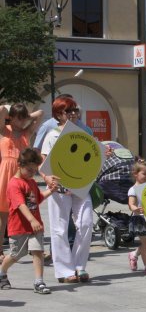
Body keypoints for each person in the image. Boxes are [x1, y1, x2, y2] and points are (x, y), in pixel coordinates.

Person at [39, 97, 94, 283]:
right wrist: (47, 178)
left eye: (75, 110)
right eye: (67, 111)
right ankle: (64, 271)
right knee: (59, 228)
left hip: (80, 184)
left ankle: (79, 266)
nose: (73, 114)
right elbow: (43, 162)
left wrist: (103, 153)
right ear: (58, 114)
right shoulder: (52, 135)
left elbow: (92, 156)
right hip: (59, 186)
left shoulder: (84, 131)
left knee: (86, 223)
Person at [0, 148, 56, 293]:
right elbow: (20, 204)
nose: (32, 173)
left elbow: (37, 199)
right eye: (29, 170)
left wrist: (51, 191)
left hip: (35, 226)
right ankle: (2, 272)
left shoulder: (31, 182)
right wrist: (31, 220)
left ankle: (39, 282)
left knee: (37, 250)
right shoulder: (14, 184)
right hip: (19, 226)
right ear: (20, 165)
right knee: (16, 254)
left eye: (34, 170)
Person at [0, 104, 43, 256]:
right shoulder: (4, 129)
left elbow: (41, 113)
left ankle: (32, 246)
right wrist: (11, 117)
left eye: (22, 119)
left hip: (22, 174)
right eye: (17, 118)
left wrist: (26, 117)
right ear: (11, 117)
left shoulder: (26, 132)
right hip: (6, 172)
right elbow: (1, 110)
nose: (20, 122)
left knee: (29, 209)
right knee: (3, 214)